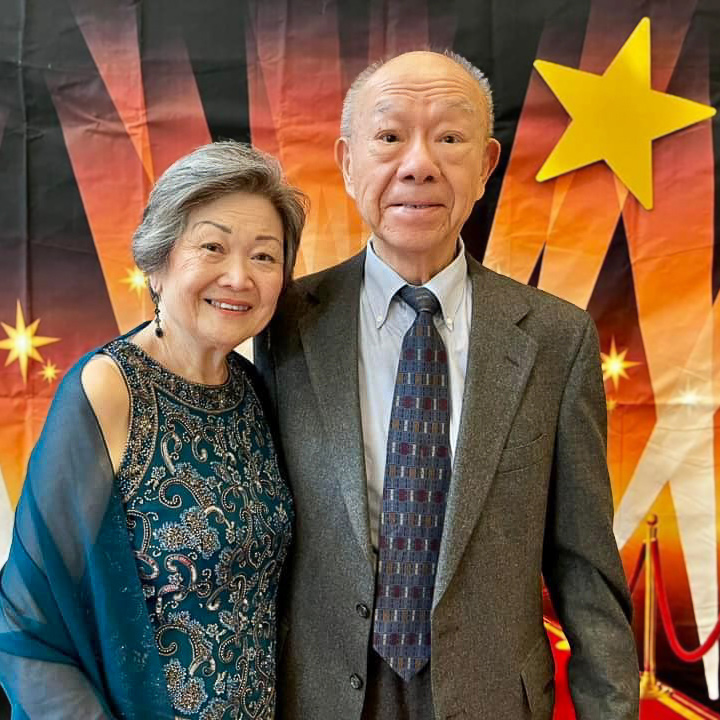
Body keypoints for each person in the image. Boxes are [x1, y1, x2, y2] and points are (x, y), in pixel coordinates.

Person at [255, 50, 639, 719]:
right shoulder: (282, 323)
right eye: (390, 136)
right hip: (321, 694)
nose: (419, 163)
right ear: (348, 162)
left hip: (493, 696)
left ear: (486, 164)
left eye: (450, 137)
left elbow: (585, 568)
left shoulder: (556, 337)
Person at [0, 141, 307, 720]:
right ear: (158, 263)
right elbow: (25, 623)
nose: (239, 276)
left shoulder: (252, 388)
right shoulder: (109, 388)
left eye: (265, 257)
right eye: (212, 247)